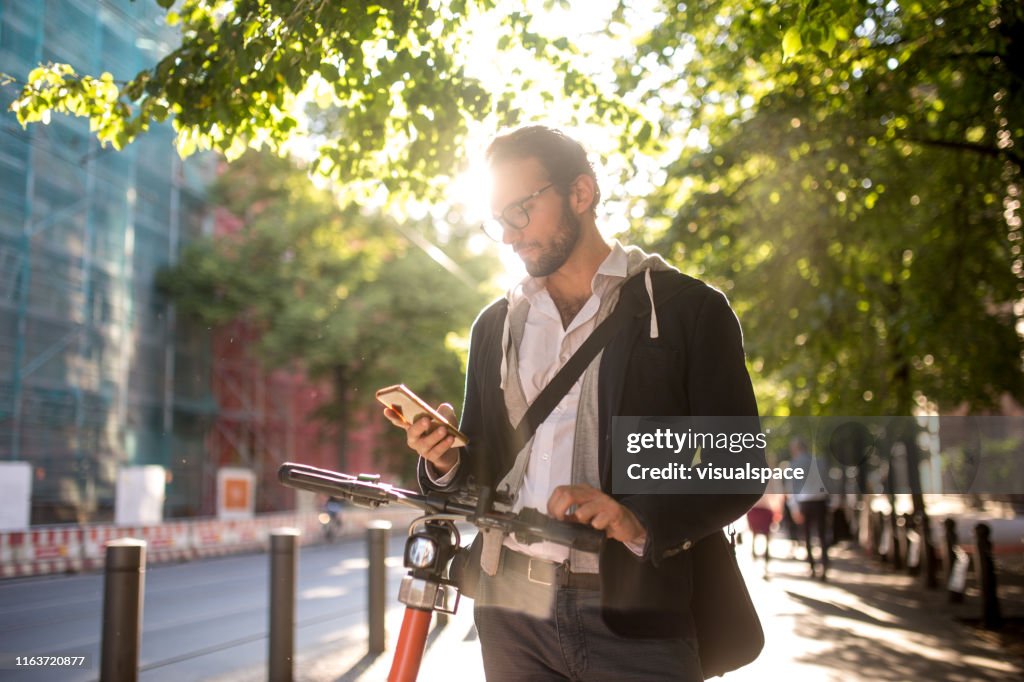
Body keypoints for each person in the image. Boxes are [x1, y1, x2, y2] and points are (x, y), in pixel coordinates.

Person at [384, 125, 765, 680]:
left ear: (580, 195)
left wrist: (636, 517)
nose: (510, 236)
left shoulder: (688, 311)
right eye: (498, 221)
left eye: (521, 211)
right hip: (508, 610)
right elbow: (482, 471)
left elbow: (737, 470)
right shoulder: (495, 325)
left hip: (636, 616)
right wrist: (443, 460)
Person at [785, 436, 831, 580]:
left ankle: (812, 566)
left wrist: (794, 508)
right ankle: (823, 564)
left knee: (807, 535)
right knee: (822, 535)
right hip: (820, 502)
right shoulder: (819, 462)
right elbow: (827, 482)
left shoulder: (794, 464)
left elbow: (791, 489)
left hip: (805, 503)